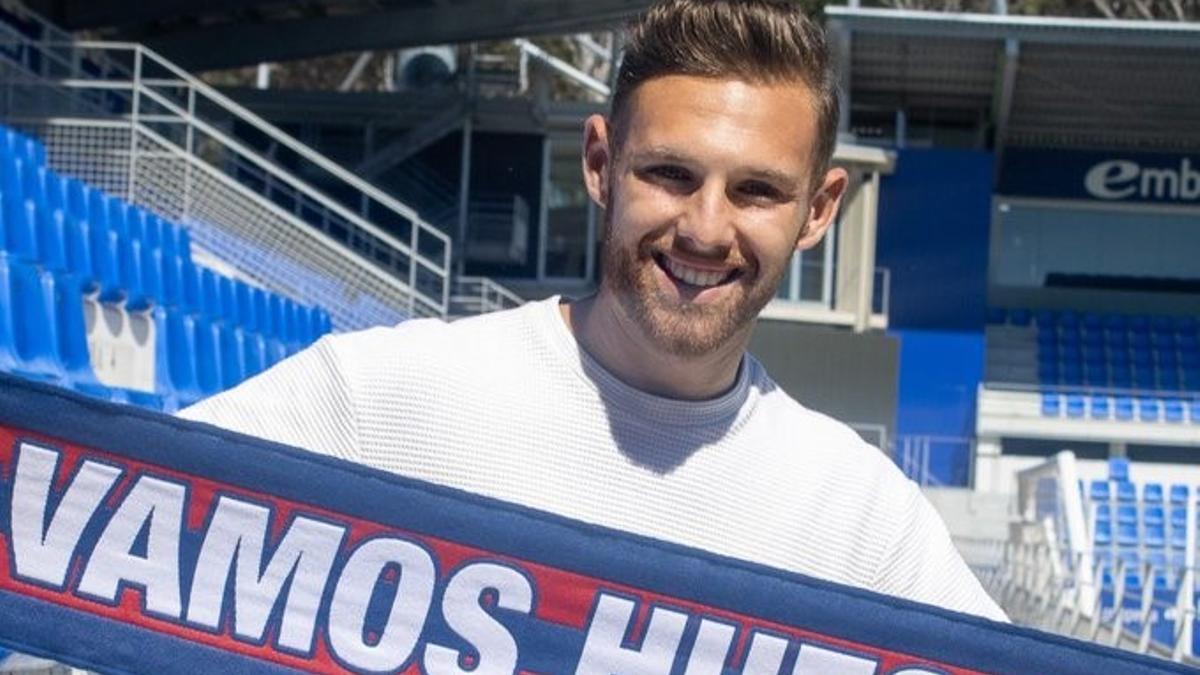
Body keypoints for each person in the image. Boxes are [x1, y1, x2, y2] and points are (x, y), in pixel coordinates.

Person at [180, 0, 1006, 622]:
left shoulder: (864, 522)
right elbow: (91, 541)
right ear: (601, 164)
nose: (706, 229)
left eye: (756, 190)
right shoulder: (378, 400)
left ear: (819, 210)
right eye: (671, 174)